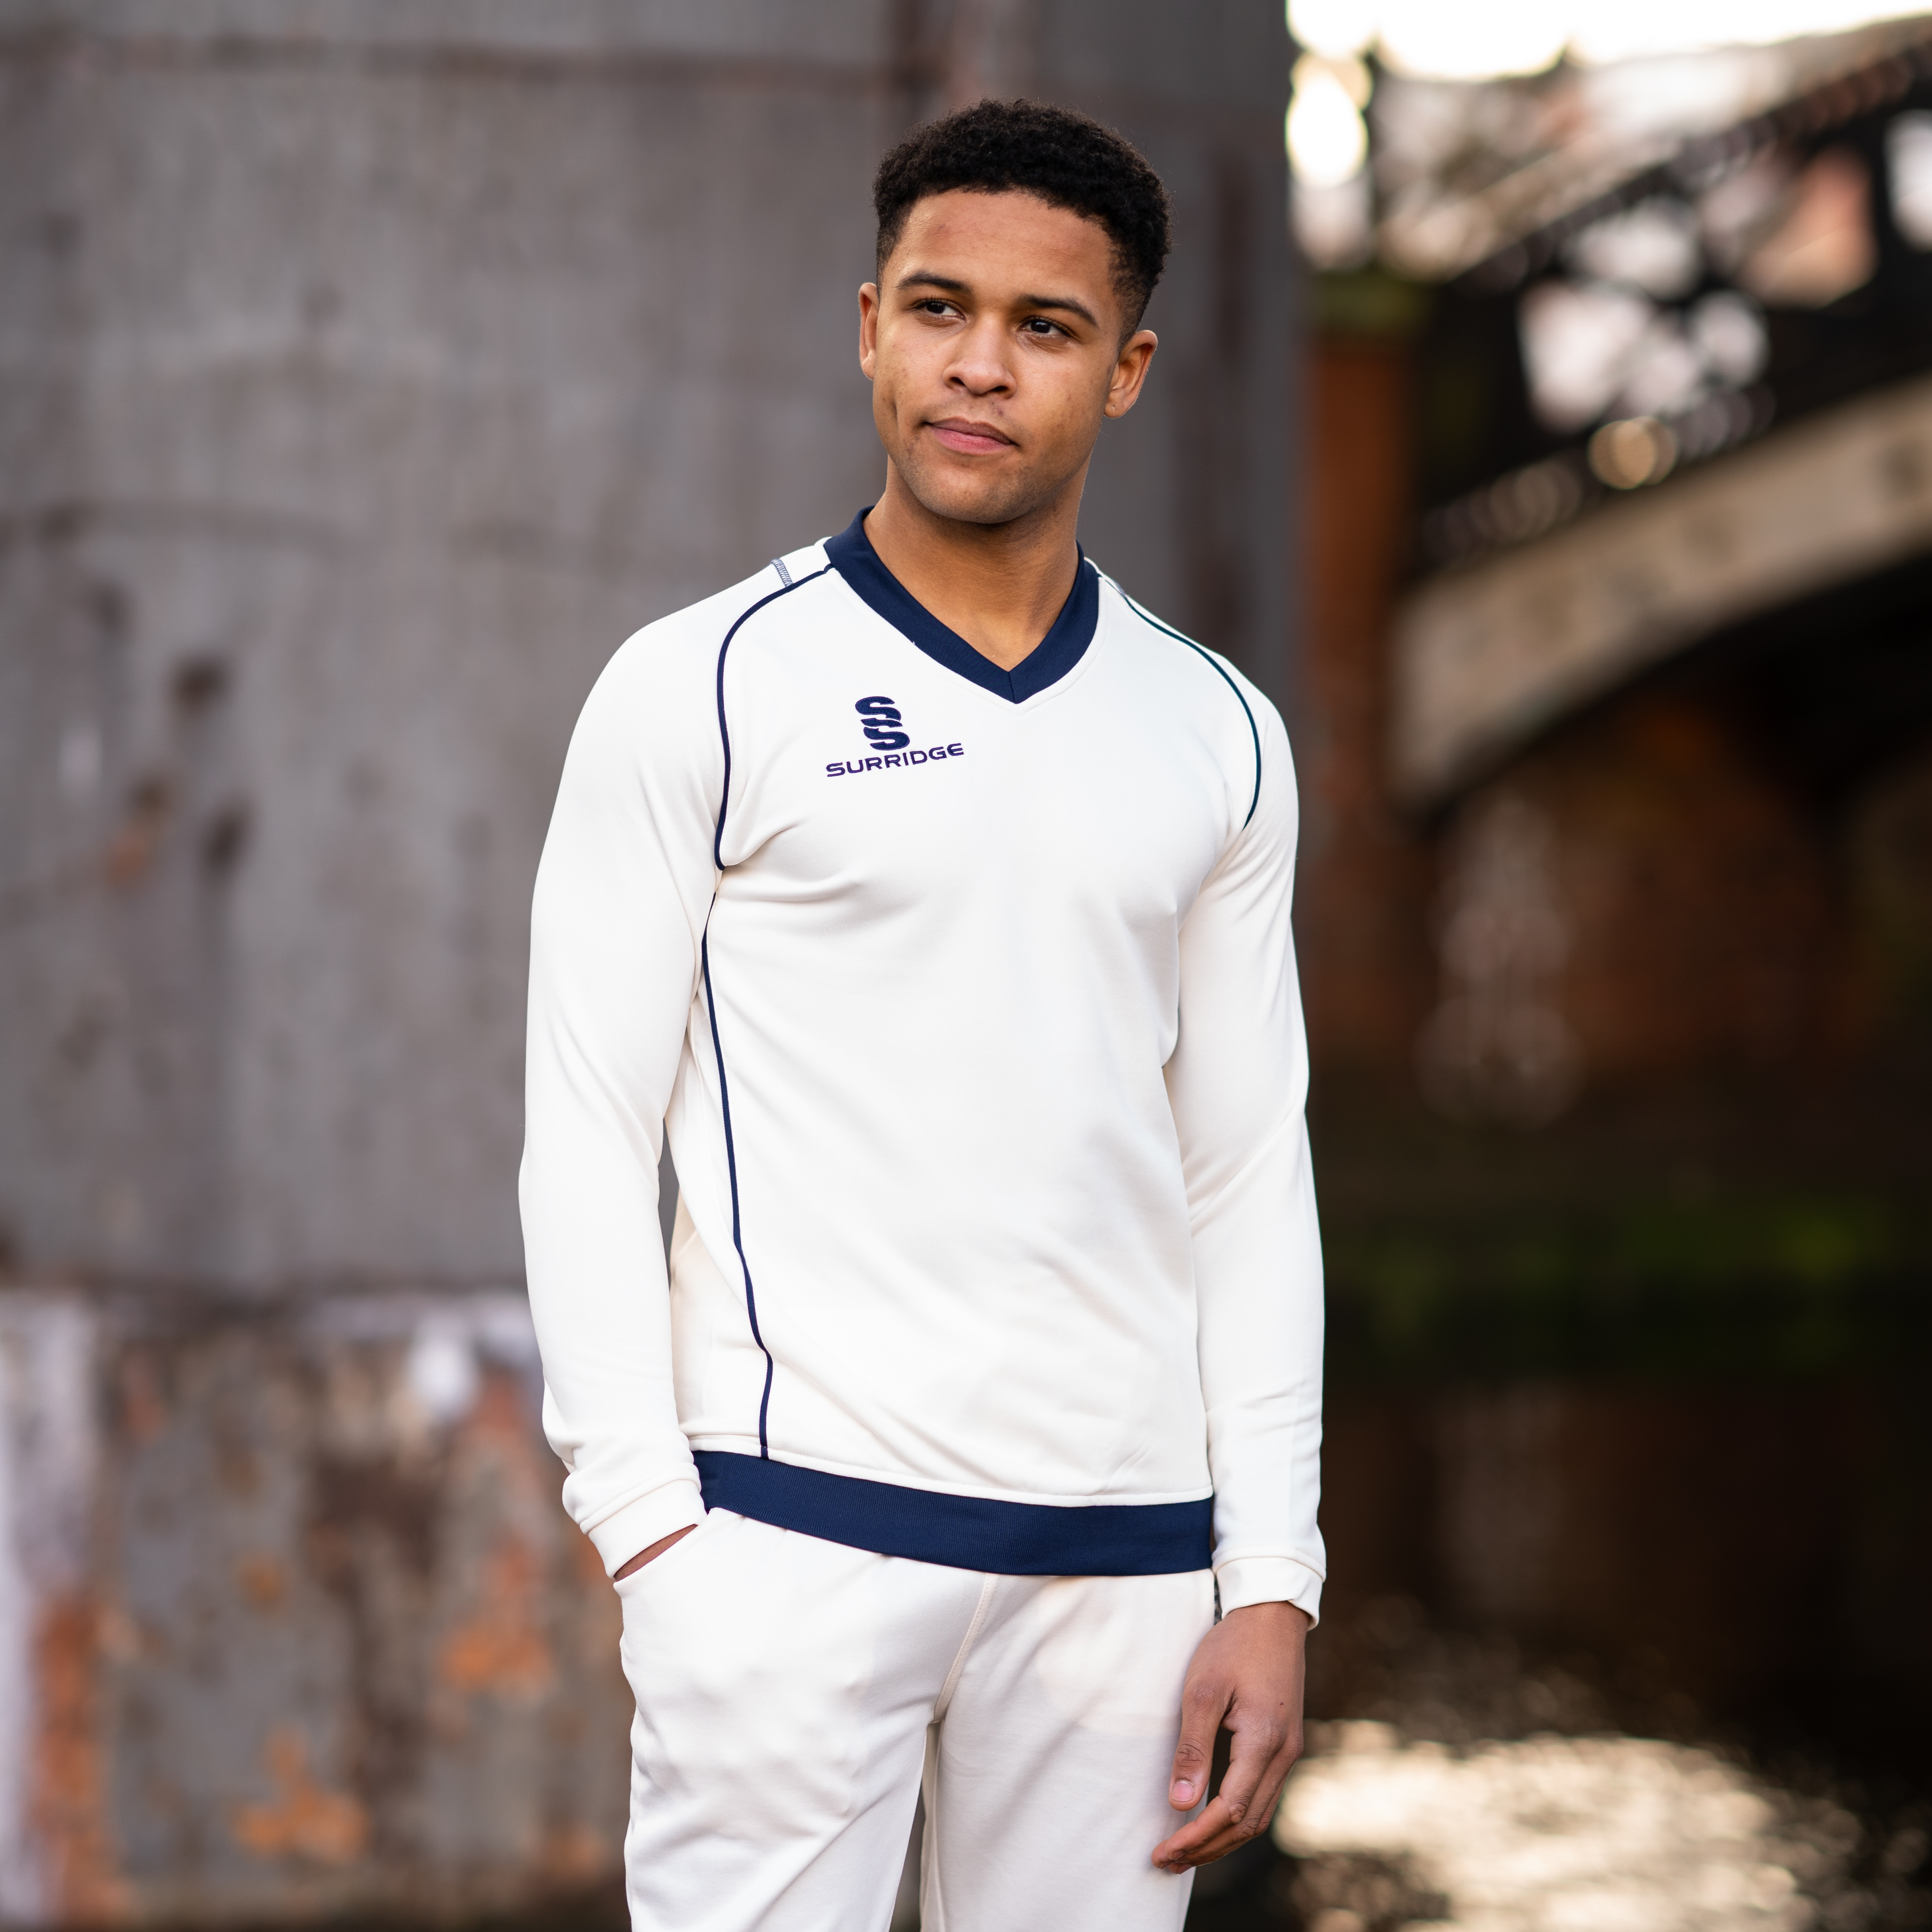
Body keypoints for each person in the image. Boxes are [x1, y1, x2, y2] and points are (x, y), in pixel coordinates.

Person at [521, 98, 1324, 1932]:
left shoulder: (1218, 730)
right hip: (788, 1542)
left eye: (1045, 327)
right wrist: (652, 1534)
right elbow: (587, 1129)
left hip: (1126, 1578)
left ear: (1124, 372)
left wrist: (1268, 1575)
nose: (980, 365)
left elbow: (1245, 1172)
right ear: (870, 325)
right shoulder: (704, 684)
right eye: (940, 308)